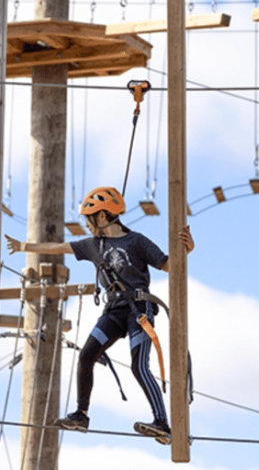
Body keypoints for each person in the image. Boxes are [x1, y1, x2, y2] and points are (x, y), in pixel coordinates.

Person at [6, 186, 194, 445]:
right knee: (86, 356)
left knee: (139, 366)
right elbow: (59, 247)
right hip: (114, 311)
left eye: (89, 218)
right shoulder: (93, 245)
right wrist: (24, 246)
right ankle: (81, 415)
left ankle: (162, 423)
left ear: (103, 216)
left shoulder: (137, 241)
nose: (86, 224)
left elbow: (168, 265)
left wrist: (186, 250)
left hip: (139, 310)